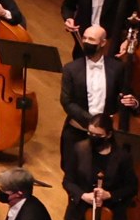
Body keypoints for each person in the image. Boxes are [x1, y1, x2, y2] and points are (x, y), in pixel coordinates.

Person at [58, 24, 135, 165]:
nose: (86, 42)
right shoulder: (71, 69)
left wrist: (133, 103)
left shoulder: (117, 68)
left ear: (103, 43)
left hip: (107, 134)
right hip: (78, 130)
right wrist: (93, 122)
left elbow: (126, 95)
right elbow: (66, 101)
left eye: (91, 39)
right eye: (85, 38)